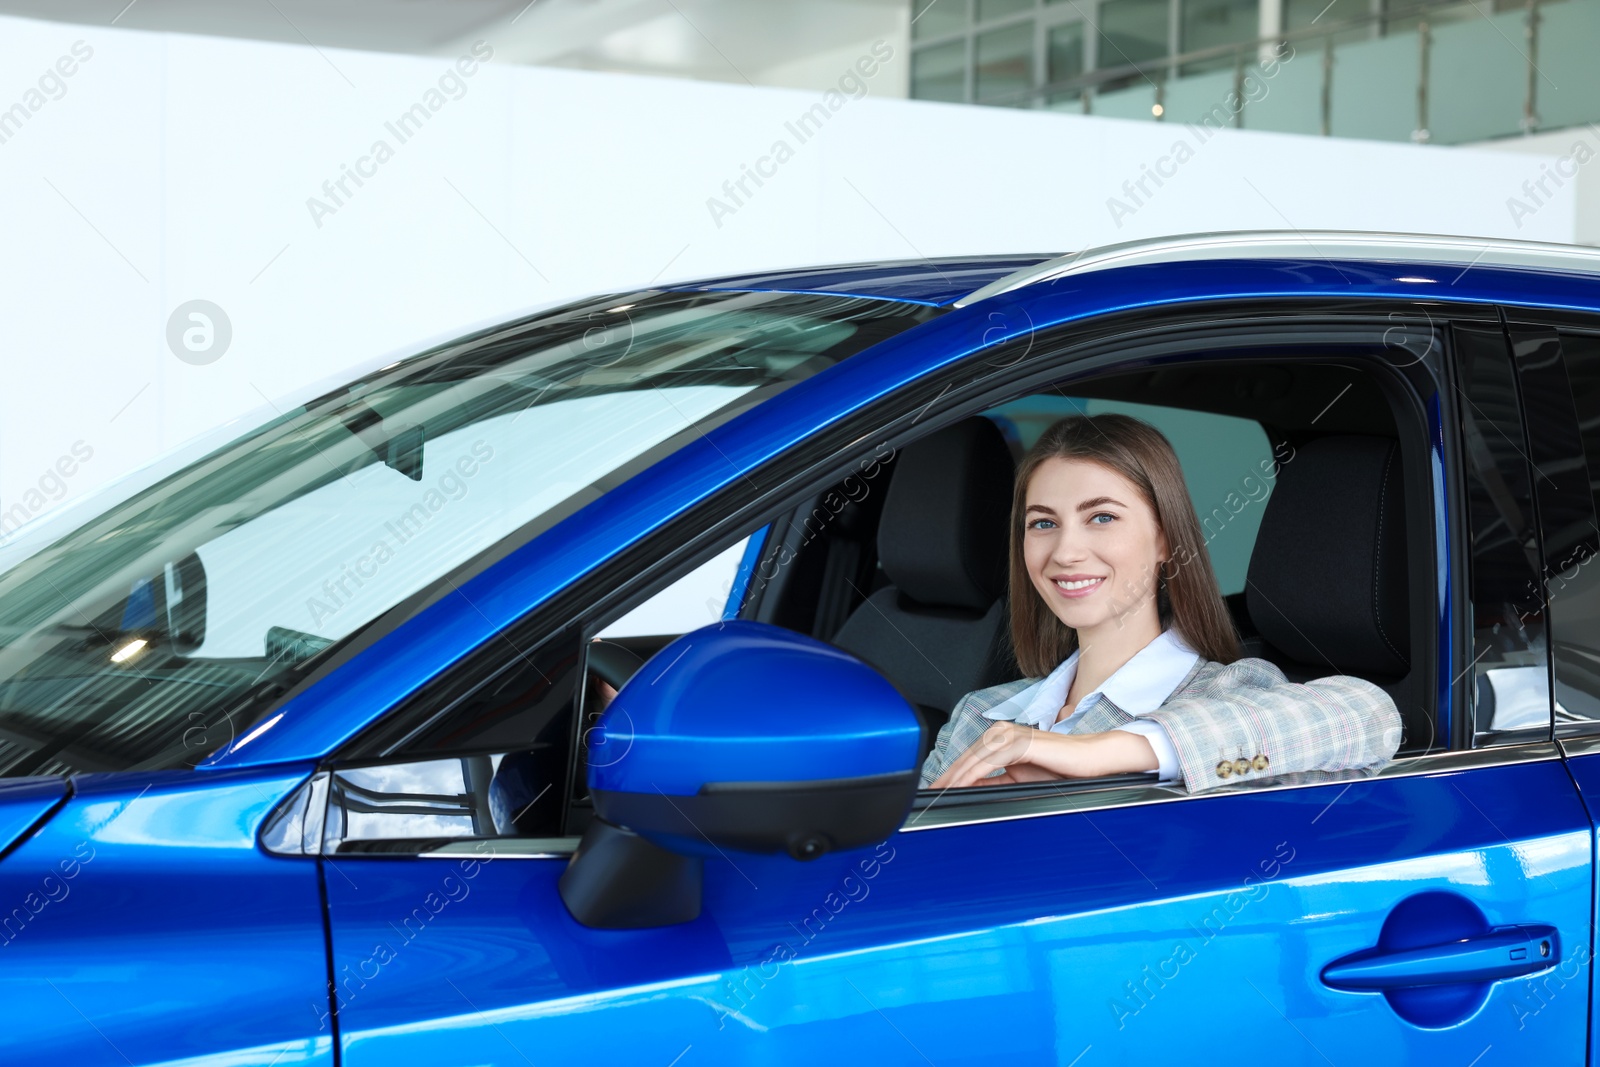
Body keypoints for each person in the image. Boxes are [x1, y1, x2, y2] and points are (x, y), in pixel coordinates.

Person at [921, 413, 1402, 794]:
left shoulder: (1229, 693)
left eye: (1102, 517)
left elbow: (1370, 718)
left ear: (1165, 540)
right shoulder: (981, 715)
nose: (1065, 552)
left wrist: (1101, 753)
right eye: (1043, 523)